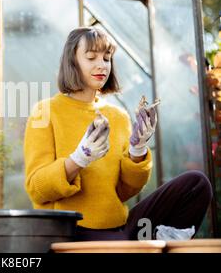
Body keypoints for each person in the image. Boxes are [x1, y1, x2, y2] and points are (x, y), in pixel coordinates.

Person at [23, 27, 213, 241]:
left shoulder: (118, 116)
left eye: (106, 58)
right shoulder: (45, 111)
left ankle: (165, 241)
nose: (101, 65)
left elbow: (124, 191)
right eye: (91, 57)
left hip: (118, 228)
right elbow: (36, 189)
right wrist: (78, 159)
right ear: (72, 62)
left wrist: (137, 150)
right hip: (70, 230)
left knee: (196, 184)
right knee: (121, 246)